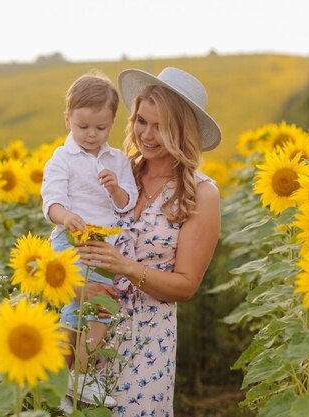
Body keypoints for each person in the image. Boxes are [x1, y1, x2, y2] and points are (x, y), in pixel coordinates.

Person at [75, 67, 222, 416]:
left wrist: (123, 265)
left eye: (161, 126)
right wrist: (78, 288)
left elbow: (186, 287)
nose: (147, 135)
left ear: (182, 131)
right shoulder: (118, 175)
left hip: (146, 343)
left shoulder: (201, 193)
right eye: (142, 121)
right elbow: (74, 241)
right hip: (91, 330)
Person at [41, 72, 138, 407]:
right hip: (71, 240)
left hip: (103, 244)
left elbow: (129, 203)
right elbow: (51, 200)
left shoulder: (118, 161)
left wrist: (115, 189)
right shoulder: (62, 158)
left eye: (100, 128)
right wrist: (65, 216)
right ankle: (79, 379)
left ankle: (64, 384)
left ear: (112, 122)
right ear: (68, 119)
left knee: (88, 308)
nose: (91, 134)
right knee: (89, 304)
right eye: (83, 127)